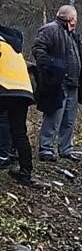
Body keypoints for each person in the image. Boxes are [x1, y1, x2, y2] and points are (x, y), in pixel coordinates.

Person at [32, 4, 82, 162]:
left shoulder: (72, 34)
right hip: (57, 82)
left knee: (69, 118)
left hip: (73, 83)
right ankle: (46, 148)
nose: (75, 21)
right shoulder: (51, 30)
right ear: (69, 18)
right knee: (53, 115)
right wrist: (52, 66)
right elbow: (38, 49)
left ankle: (66, 148)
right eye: (74, 18)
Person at [0, 25, 34, 186]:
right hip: (24, 91)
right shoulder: (13, 45)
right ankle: (26, 173)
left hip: (4, 88)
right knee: (20, 132)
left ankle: (4, 155)